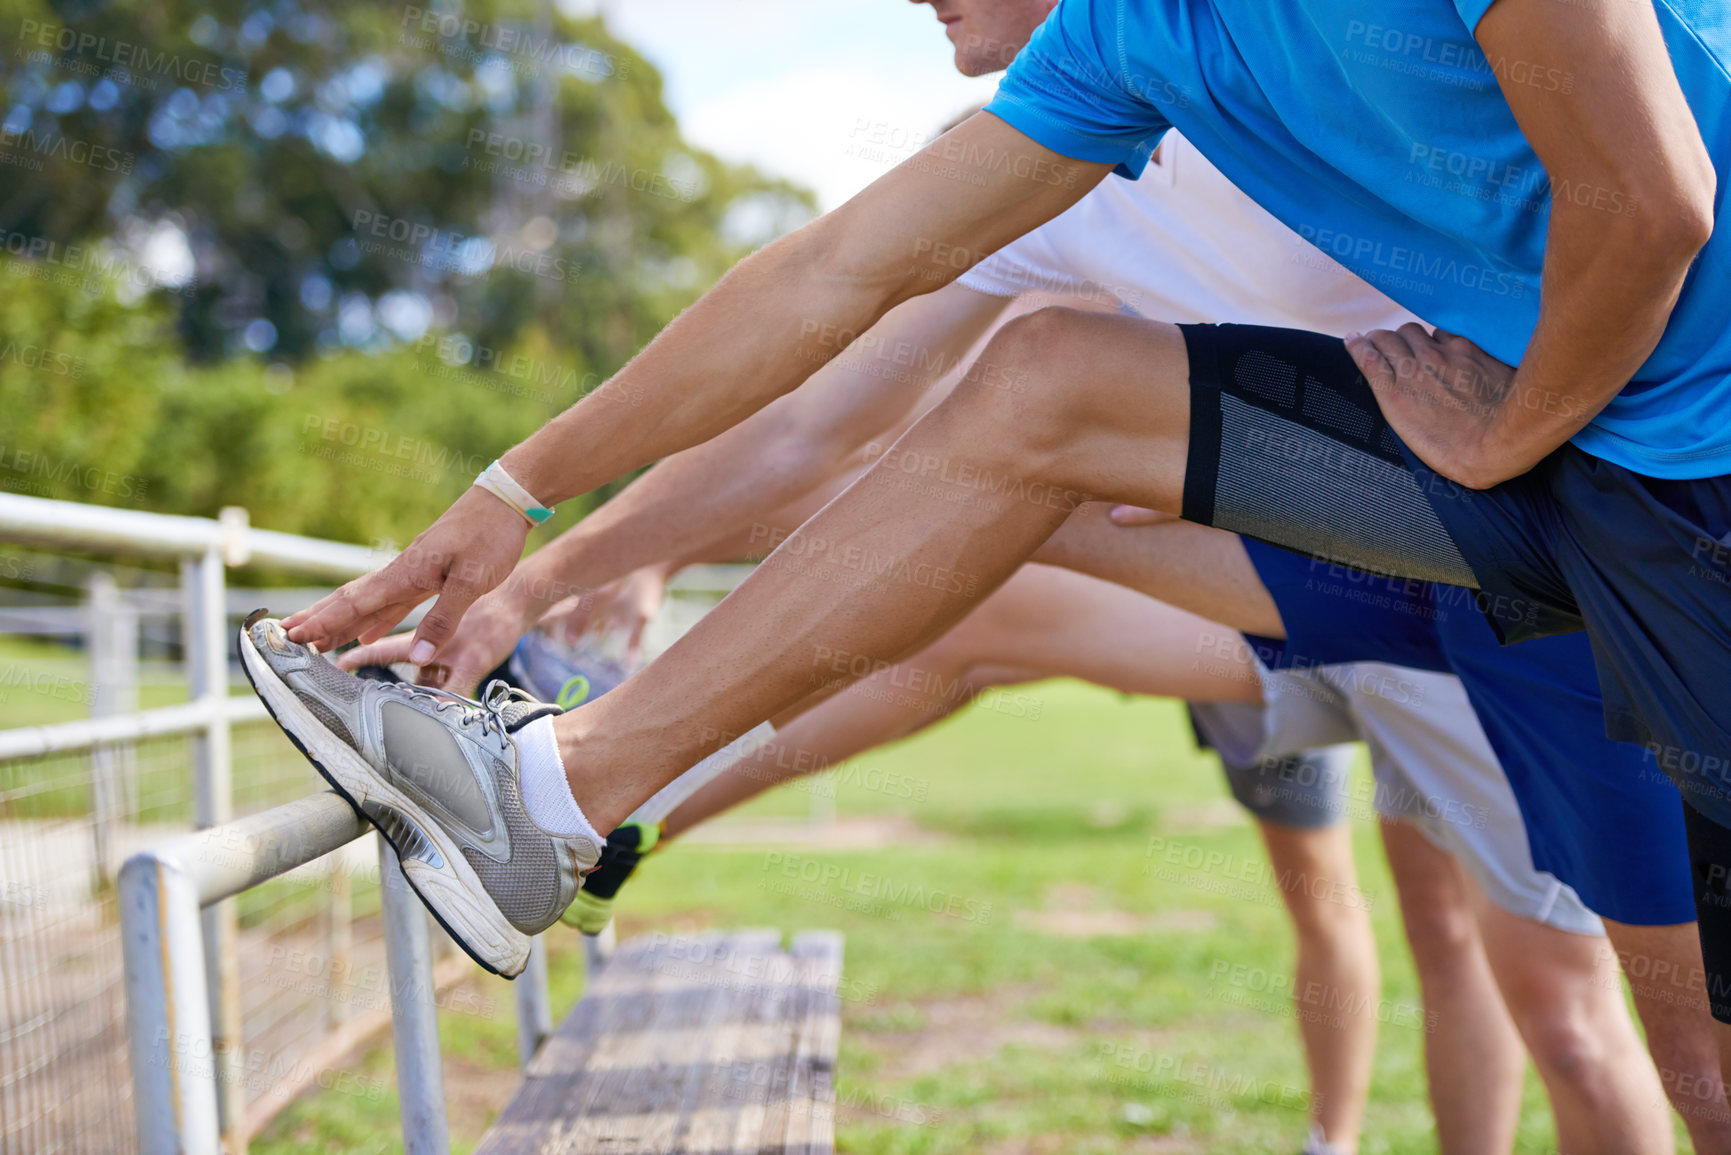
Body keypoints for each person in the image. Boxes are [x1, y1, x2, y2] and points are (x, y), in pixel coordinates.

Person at [269, 0, 1731, 1077]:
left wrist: (1508, 429)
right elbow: (830, 283)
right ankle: (565, 798)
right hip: (1498, 475)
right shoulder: (1117, 46)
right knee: (1039, 394)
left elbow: (1655, 197)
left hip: (1649, 459)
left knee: (1680, 1064)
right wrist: (516, 499)